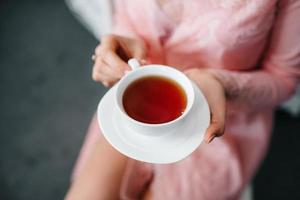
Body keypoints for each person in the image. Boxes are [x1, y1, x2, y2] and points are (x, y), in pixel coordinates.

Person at [65, 0, 300, 199]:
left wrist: (222, 84)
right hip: (134, 114)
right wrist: (121, 45)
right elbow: (127, 16)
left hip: (221, 130)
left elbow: (284, 79)